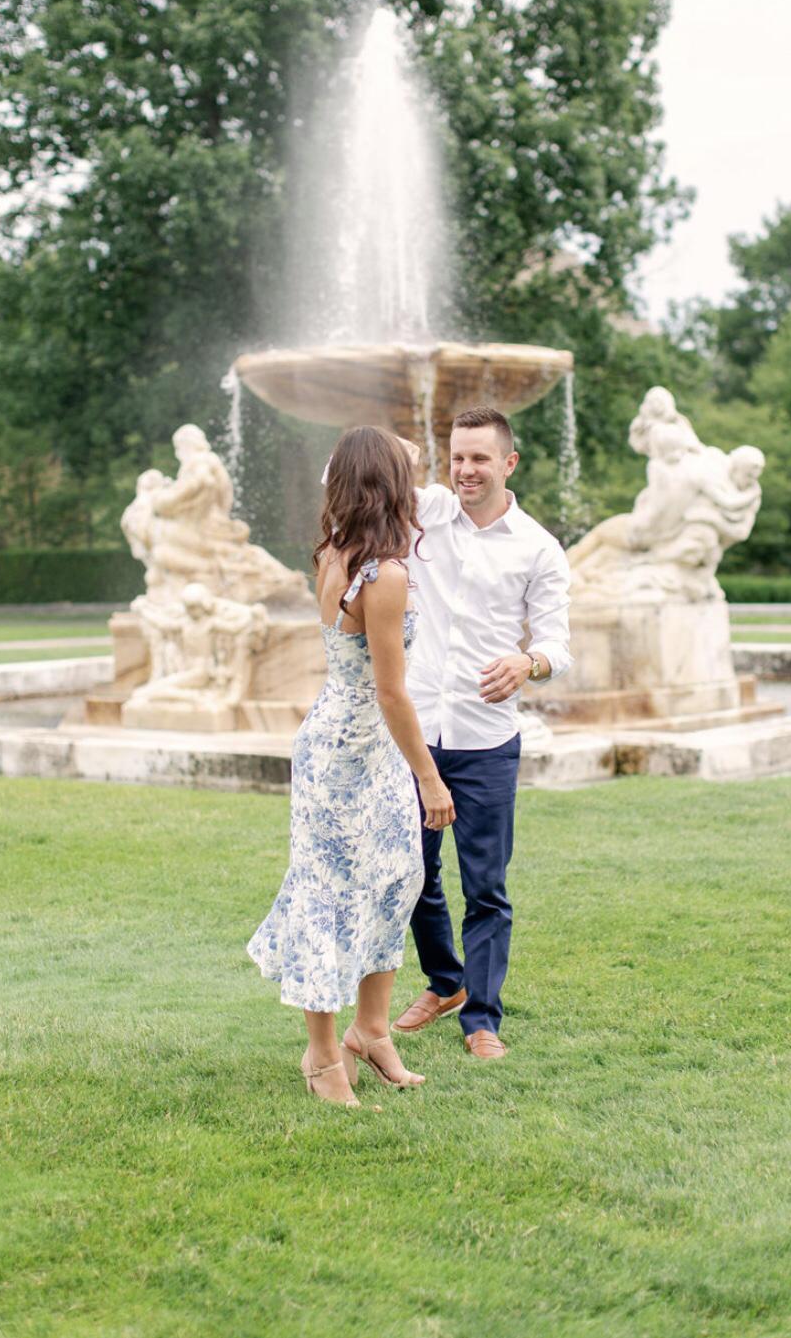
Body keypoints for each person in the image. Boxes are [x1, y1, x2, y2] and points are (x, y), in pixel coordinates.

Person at [246, 427, 455, 1107]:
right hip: (349, 750)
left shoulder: (338, 550)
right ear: (389, 486)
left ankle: (371, 1032)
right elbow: (391, 692)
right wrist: (429, 776)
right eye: (404, 475)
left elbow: (390, 453)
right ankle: (321, 1050)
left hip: (355, 740)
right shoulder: (383, 574)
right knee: (330, 892)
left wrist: (379, 450)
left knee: (397, 878)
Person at [393, 406, 572, 1060]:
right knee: (409, 872)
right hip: (414, 731)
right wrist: (403, 454)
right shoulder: (425, 512)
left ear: (509, 463)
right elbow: (342, 475)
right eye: (457, 458)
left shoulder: (538, 547)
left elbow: (557, 644)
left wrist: (528, 662)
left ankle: (482, 1019)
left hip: (486, 740)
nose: (465, 470)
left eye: (479, 458)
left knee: (486, 887)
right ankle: (445, 981)